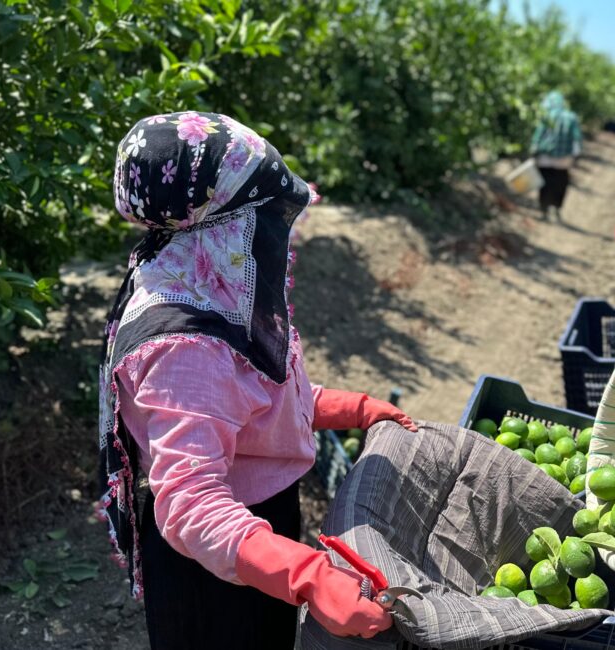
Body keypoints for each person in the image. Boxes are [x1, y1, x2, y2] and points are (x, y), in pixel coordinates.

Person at [98, 112, 417, 648]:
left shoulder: (206, 285)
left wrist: (350, 408)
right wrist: (306, 575)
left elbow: (250, 400)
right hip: (217, 560)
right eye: (266, 214)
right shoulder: (187, 345)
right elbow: (192, 503)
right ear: (220, 222)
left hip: (254, 533)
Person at [530, 91, 583, 220]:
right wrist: (576, 155)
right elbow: (576, 137)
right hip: (563, 159)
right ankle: (557, 208)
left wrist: (534, 150)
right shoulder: (571, 117)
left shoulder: (546, 116)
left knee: (544, 183)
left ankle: (544, 209)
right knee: (560, 183)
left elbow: (538, 135)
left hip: (545, 157)